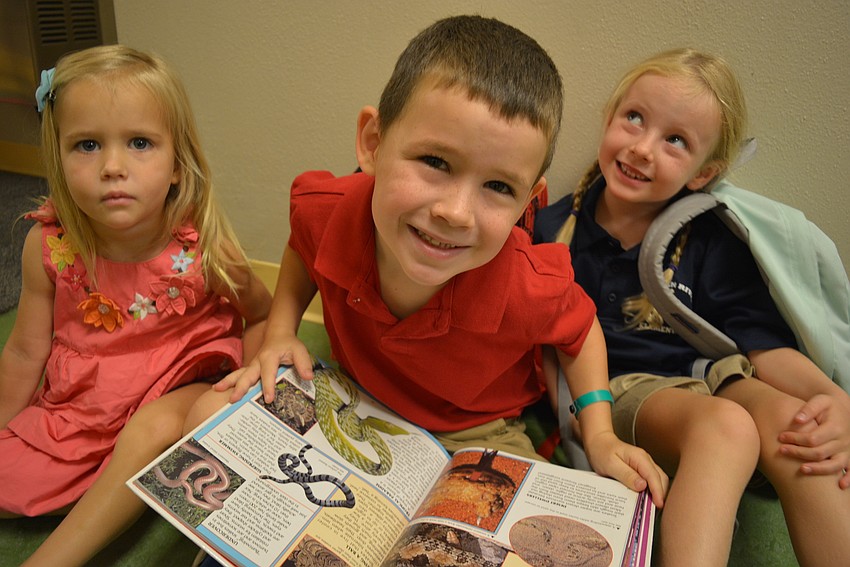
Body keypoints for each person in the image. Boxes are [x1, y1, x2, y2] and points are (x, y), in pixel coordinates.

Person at [193, 14, 668, 503]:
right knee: (212, 415)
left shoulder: (524, 281)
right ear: (373, 145)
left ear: (528, 203)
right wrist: (280, 332)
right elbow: (303, 245)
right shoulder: (327, 210)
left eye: (498, 187)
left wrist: (601, 435)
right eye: (436, 163)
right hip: (351, 396)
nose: (455, 213)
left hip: (476, 431)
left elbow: (580, 330)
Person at [533, 47, 850, 567]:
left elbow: (760, 346)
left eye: (675, 141)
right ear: (610, 117)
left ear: (704, 174)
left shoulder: (711, 238)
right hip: (629, 387)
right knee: (726, 428)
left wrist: (829, 397)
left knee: (802, 425)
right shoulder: (554, 233)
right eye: (634, 118)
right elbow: (551, 352)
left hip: (718, 372)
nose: (642, 148)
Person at [0, 45, 272, 566]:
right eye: (86, 145)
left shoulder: (202, 248)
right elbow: (21, 353)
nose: (113, 167)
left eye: (140, 142)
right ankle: (112, 487)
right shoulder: (49, 247)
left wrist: (251, 382)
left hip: (177, 380)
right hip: (87, 403)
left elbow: (259, 311)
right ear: (56, 158)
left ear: (177, 165)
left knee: (154, 431)